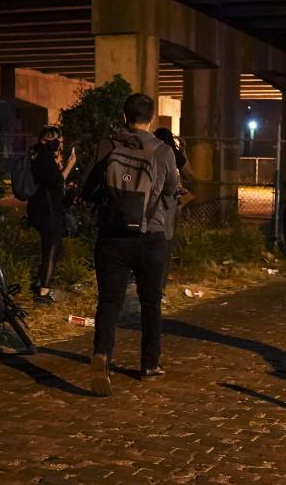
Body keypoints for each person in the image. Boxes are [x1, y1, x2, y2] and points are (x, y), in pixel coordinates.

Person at [82, 93, 178, 397]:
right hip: (151, 236)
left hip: (112, 236)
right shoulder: (163, 151)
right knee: (151, 304)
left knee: (109, 302)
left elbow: (88, 190)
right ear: (151, 118)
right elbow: (171, 191)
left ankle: (102, 356)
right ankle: (149, 365)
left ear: (125, 117)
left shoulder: (109, 146)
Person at [26, 125, 76, 304]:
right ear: (49, 138)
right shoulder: (44, 157)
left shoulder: (37, 154)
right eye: (58, 141)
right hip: (47, 210)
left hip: (42, 208)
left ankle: (40, 282)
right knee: (52, 247)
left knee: (54, 246)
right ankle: (43, 293)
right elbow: (55, 181)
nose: (59, 145)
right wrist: (69, 166)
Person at [153, 127, 193, 290]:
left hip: (150, 202)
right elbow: (190, 175)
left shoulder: (150, 152)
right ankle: (160, 285)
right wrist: (183, 152)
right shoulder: (174, 155)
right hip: (169, 204)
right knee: (166, 244)